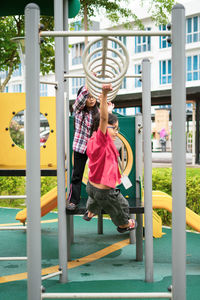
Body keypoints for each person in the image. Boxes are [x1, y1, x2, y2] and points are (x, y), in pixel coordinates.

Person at [83, 83, 137, 233]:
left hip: (91, 187)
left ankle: (90, 212)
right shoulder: (102, 139)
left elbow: (102, 121)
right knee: (121, 206)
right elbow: (103, 121)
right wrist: (104, 96)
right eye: (115, 129)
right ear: (105, 128)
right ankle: (124, 225)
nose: (117, 132)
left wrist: (108, 109)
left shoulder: (93, 138)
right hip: (104, 191)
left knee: (94, 200)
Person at [66, 85, 99, 211]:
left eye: (93, 97)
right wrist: (89, 83)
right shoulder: (78, 110)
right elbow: (79, 101)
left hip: (94, 148)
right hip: (80, 147)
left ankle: (97, 200)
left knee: (96, 174)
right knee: (77, 174)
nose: (91, 99)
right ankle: (74, 200)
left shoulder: (98, 112)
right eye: (88, 97)